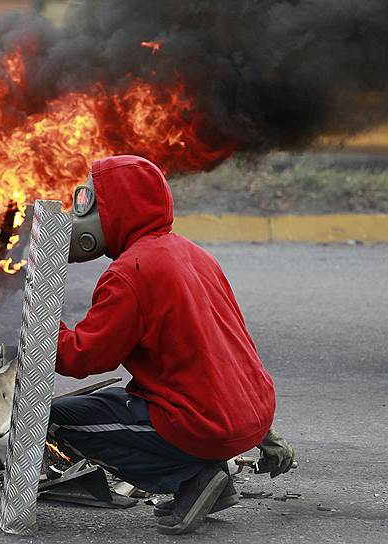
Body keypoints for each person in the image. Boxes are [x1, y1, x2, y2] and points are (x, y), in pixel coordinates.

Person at [50, 155, 295, 535]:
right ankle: (206, 475)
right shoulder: (193, 254)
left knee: (61, 421)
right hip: (248, 414)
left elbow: (82, 355)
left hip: (201, 425)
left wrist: (41, 323)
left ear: (118, 208)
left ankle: (194, 477)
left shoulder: (129, 273)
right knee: (114, 401)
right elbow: (230, 350)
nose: (80, 212)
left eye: (87, 202)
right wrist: (265, 432)